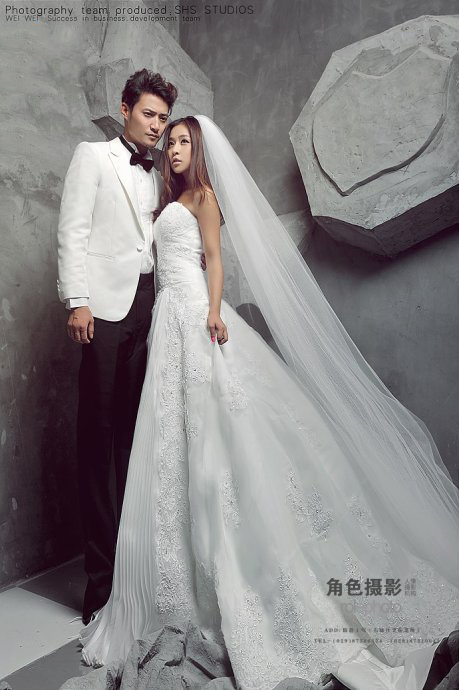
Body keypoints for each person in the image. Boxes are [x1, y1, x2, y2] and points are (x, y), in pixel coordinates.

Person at [78, 115, 459, 690]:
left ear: (198, 150)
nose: (174, 149)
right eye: (170, 142)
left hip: (196, 317)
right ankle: (176, 579)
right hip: (166, 327)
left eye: (183, 142)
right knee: (175, 443)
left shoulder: (204, 197)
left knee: (221, 437)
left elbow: (213, 259)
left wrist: (213, 311)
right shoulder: (166, 202)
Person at [57, 70, 205, 626]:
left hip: (154, 310)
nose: (157, 126)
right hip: (103, 310)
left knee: (138, 439)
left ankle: (137, 574)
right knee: (98, 441)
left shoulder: (164, 170)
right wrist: (77, 301)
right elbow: (73, 231)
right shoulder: (92, 157)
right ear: (124, 109)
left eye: (164, 118)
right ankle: (101, 587)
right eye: (149, 114)